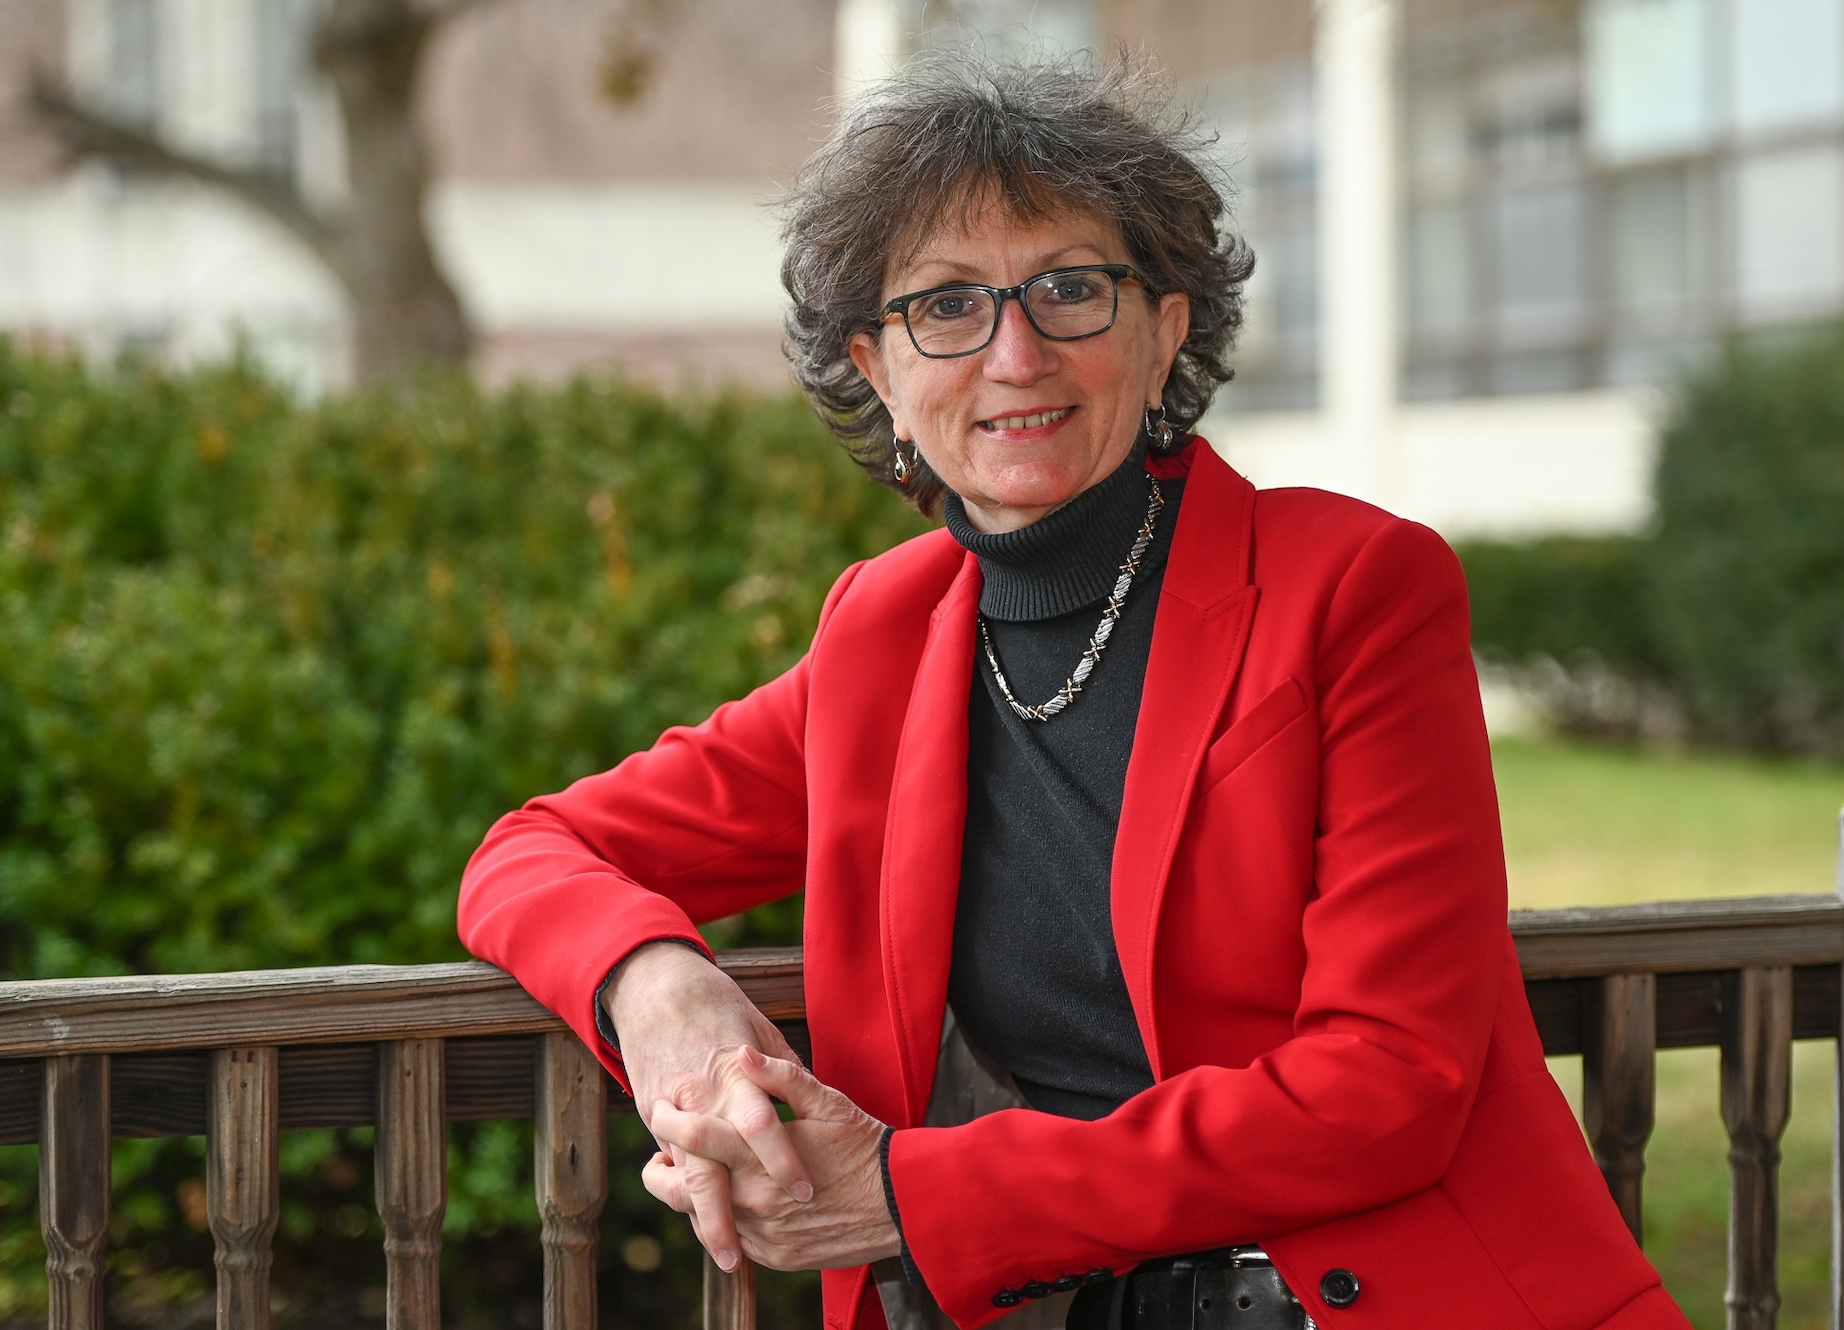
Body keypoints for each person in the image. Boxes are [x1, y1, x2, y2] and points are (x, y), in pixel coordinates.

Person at [458, 55, 1690, 1330]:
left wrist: (912, 1190)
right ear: (878, 372)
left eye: (1069, 289)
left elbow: (1388, 1082)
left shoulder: (1354, 587)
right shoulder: (880, 638)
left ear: (1164, 333)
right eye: (945, 305)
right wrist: (654, 986)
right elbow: (529, 851)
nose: (1014, 351)